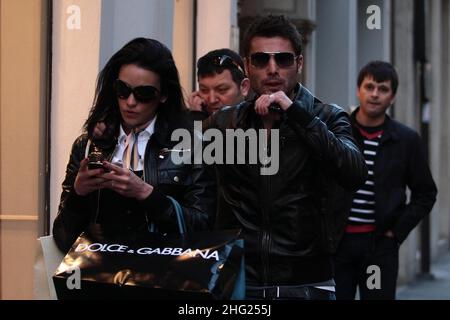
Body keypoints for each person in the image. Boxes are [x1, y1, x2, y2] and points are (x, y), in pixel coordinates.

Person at [203, 15, 368, 300]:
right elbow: (196, 190)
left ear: (299, 64)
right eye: (261, 60)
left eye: (283, 59)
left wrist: (298, 116)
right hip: (239, 280)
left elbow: (354, 172)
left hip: (306, 281)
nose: (272, 69)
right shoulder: (223, 123)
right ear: (246, 65)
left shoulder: (326, 117)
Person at [53, 38, 216, 252]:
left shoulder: (192, 147)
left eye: (144, 94)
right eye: (122, 90)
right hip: (101, 279)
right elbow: (63, 239)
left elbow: (204, 230)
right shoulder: (89, 146)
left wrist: (147, 194)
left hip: (163, 278)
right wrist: (78, 193)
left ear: (164, 95)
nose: (130, 102)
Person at [333, 61, 438, 300]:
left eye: (383, 89)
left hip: (378, 248)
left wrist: (396, 233)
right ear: (358, 89)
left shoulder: (406, 140)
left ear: (392, 97)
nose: (374, 94)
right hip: (338, 246)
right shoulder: (339, 133)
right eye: (369, 87)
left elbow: (426, 193)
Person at [188, 48, 250, 120]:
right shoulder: (192, 116)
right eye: (204, 90)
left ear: (244, 87)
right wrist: (196, 116)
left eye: (221, 90)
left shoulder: (261, 121)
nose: (212, 100)